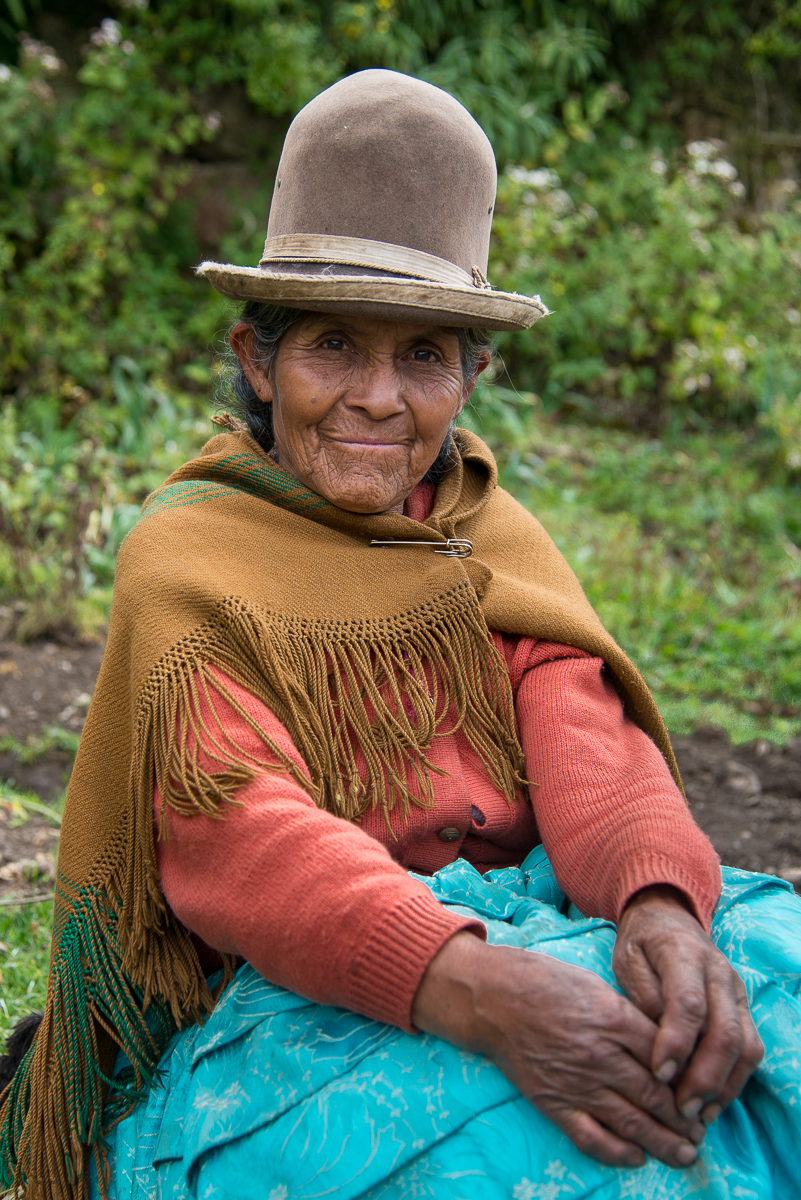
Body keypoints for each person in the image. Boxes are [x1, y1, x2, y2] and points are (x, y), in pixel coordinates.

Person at [1, 69, 799, 1200]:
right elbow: (245, 836)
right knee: (533, 1157)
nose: (379, 397)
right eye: (333, 344)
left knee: (761, 1034)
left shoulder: (484, 532)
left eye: (424, 354)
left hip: (534, 925)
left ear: (473, 375)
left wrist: (659, 908)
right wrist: (478, 992)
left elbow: (589, 735)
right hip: (305, 988)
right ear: (257, 356)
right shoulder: (191, 561)